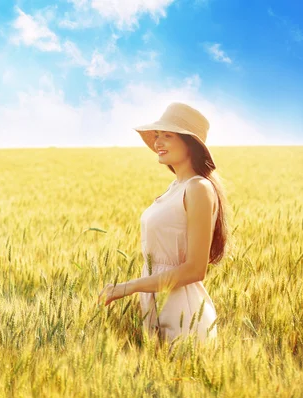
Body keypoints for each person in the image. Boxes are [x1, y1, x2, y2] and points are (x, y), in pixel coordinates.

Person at [97, 102, 229, 344]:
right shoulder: (174, 187)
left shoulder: (198, 188)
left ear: (190, 143)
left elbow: (195, 269)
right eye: (157, 135)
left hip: (184, 315)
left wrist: (129, 287)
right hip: (155, 306)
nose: (158, 142)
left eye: (167, 135)